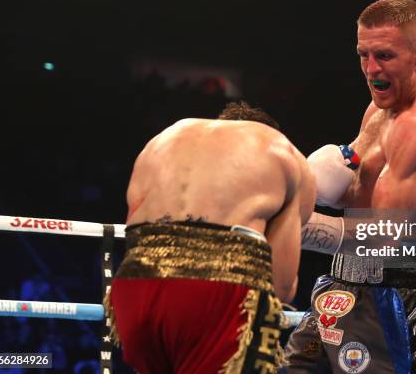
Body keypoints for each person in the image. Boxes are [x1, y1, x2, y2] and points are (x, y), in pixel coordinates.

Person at [284, 0, 416, 374]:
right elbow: (349, 187)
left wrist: (298, 227)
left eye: (384, 56)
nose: (371, 69)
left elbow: (384, 234)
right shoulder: (378, 110)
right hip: (338, 281)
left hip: (391, 292)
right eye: (363, 55)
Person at [106, 102, 316, 374]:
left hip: (133, 287)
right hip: (217, 292)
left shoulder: (162, 139)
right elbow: (282, 286)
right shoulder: (283, 151)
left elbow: (136, 233)